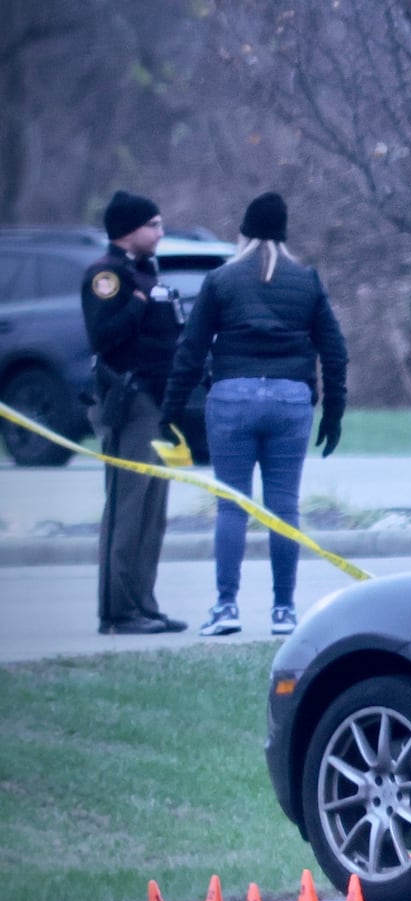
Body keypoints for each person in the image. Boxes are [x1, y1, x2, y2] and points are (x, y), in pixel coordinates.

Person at [160, 192, 348, 637]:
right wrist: (334, 411)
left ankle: (226, 607)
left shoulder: (222, 279)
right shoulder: (307, 280)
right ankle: (284, 610)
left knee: (232, 506)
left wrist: (170, 411)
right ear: (284, 232)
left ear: (242, 231)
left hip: (232, 398)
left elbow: (190, 350)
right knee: (283, 506)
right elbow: (335, 350)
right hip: (289, 400)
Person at [82, 190, 187, 635]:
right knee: (127, 506)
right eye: (155, 225)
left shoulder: (146, 272)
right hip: (131, 401)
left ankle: (144, 603)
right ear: (130, 229)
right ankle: (118, 611)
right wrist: (138, 304)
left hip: (159, 402)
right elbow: (102, 335)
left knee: (152, 510)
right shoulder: (106, 275)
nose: (161, 233)